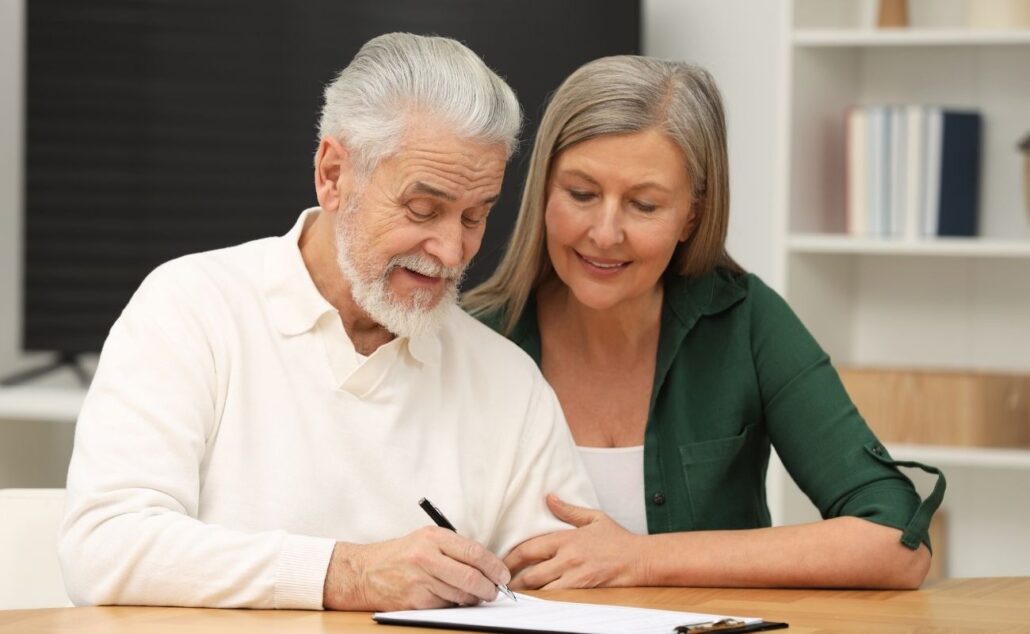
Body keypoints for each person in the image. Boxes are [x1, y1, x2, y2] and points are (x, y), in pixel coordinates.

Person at [59, 33, 596, 611]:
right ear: (334, 174)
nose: (451, 250)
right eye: (423, 209)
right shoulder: (191, 307)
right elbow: (104, 549)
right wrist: (348, 574)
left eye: (475, 216)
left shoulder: (506, 380)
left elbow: (564, 593)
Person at [464, 55, 945, 590]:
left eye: (644, 205)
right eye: (581, 194)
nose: (604, 233)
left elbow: (896, 541)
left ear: (692, 215)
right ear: (543, 189)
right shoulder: (468, 339)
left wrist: (641, 560)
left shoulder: (747, 321)